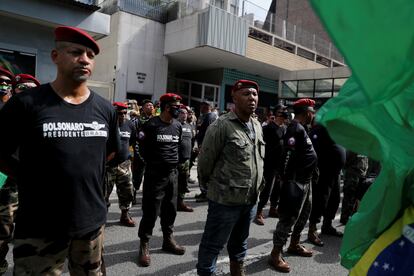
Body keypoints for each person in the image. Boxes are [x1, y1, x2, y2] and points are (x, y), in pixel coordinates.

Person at [0, 26, 119, 275]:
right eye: (76, 52)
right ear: (55, 56)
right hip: (39, 229)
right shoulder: (25, 104)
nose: (85, 59)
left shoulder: (105, 109)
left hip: (90, 226)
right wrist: (33, 178)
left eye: (90, 55)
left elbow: (110, 154)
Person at [197, 80, 265, 276]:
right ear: (234, 98)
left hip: (250, 200)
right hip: (225, 201)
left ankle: (237, 272)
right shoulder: (221, 126)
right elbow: (205, 164)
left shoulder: (257, 125)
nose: (252, 98)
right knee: (212, 246)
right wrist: (212, 188)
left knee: (240, 242)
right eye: (246, 94)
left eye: (254, 94)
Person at [269, 98, 317, 273]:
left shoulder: (303, 129)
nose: (314, 115)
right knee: (288, 218)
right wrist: (288, 182)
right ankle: (275, 253)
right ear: (307, 113)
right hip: (296, 182)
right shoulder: (295, 129)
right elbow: (287, 157)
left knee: (304, 214)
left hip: (306, 180)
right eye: (312, 111)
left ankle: (294, 244)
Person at [137, 93, 185, 267]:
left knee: (170, 209)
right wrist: (154, 164)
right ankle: (144, 244)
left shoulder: (178, 126)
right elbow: (141, 150)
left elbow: (177, 146)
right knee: (151, 211)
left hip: (173, 174)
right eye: (176, 106)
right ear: (166, 107)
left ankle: (168, 240)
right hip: (155, 175)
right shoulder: (150, 125)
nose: (178, 109)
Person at [0, 71, 40, 274]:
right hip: (7, 182)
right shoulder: (5, 114)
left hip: (33, 185)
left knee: (30, 235)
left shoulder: (42, 116)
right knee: (2, 230)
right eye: (19, 89)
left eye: (27, 90)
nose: (22, 93)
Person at [307, 124, 346, 246]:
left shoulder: (337, 129)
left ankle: (327, 225)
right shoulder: (320, 128)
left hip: (335, 172)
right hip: (324, 171)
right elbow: (313, 149)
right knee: (321, 200)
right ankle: (312, 230)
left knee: (334, 199)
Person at [254, 104, 288, 225]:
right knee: (266, 189)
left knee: (277, 189)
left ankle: (273, 208)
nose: (284, 114)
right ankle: (258, 211)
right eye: (282, 112)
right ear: (276, 113)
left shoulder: (284, 128)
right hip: (269, 164)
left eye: (285, 111)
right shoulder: (268, 128)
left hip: (280, 165)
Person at [105, 102, 137, 227]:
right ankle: (101, 218)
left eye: (124, 113)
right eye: (119, 113)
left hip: (124, 164)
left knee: (127, 191)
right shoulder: (106, 124)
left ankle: (125, 215)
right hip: (108, 165)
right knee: (104, 193)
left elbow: (132, 141)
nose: (122, 116)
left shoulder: (130, 125)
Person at [131, 99, 154, 204]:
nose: (151, 107)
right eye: (148, 105)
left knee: (150, 178)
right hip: (139, 153)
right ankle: (133, 195)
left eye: (151, 105)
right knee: (137, 177)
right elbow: (132, 138)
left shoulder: (155, 120)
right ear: (142, 108)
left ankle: (147, 197)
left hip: (152, 154)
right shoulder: (136, 121)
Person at [195, 100, 217, 202]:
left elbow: (208, 133)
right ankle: (204, 191)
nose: (201, 108)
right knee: (201, 171)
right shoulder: (203, 116)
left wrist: (203, 146)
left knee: (203, 171)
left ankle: (206, 193)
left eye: (203, 106)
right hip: (202, 146)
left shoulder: (210, 117)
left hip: (206, 148)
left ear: (208, 107)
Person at [340, 150, 369, 224]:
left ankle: (353, 217)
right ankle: (345, 218)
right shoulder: (353, 144)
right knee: (349, 196)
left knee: (358, 198)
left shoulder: (365, 145)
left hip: (362, 174)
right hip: (353, 173)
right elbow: (347, 158)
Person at [177, 106, 194, 212]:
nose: (184, 115)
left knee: (183, 183)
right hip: (176, 160)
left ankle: (180, 203)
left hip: (186, 160)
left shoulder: (190, 126)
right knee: (173, 183)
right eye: (182, 113)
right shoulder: (175, 124)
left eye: (186, 113)